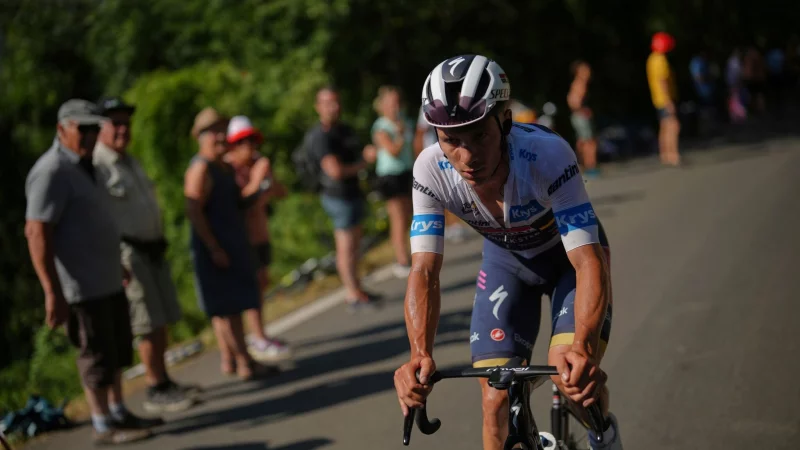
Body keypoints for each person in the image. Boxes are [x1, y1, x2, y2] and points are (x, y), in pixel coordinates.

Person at [393, 55, 622, 450]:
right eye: (451, 140)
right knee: (495, 398)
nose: (467, 156)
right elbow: (424, 271)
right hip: (508, 263)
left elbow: (587, 261)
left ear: (505, 121)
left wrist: (583, 349)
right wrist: (418, 354)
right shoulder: (429, 170)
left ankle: (605, 437)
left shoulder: (547, 156)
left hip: (568, 263)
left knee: (570, 379)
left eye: (479, 136)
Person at [24, 99, 157, 445]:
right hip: (81, 285)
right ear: (62, 129)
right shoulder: (51, 171)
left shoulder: (88, 165)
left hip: (107, 276)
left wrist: (116, 262)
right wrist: (52, 291)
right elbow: (37, 231)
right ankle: (102, 423)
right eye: (81, 129)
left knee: (116, 349)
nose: (89, 136)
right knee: (94, 354)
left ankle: (118, 411)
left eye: (93, 129)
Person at [93, 96, 197, 413]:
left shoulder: (130, 161)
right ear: (99, 127)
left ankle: (164, 379)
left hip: (151, 248)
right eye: (115, 123)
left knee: (160, 319)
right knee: (146, 322)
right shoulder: (98, 166)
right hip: (129, 252)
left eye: (126, 123)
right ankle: (155, 387)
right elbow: (98, 219)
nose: (123, 129)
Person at [184, 107, 278, 380]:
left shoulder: (222, 167)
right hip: (217, 250)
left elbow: (239, 202)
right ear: (201, 136)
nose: (220, 136)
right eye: (213, 131)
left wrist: (259, 183)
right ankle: (244, 362)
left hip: (233, 245)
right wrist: (213, 247)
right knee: (226, 310)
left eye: (221, 130)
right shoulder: (201, 168)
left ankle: (241, 360)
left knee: (234, 308)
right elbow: (194, 211)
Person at [224, 115, 292, 363]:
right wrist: (256, 178)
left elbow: (282, 192)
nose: (250, 147)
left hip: (261, 235)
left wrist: (269, 180)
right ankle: (255, 338)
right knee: (251, 288)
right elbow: (240, 202)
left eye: (252, 141)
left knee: (262, 283)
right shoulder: (229, 168)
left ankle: (258, 334)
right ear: (233, 145)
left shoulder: (257, 164)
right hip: (244, 239)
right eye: (243, 142)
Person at [305, 87, 380, 311]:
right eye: (328, 103)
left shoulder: (343, 129)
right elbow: (335, 171)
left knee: (355, 244)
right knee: (345, 246)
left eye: (336, 102)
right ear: (318, 107)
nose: (334, 107)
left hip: (352, 192)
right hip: (337, 196)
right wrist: (363, 163)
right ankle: (352, 294)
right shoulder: (320, 136)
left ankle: (358, 289)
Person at [365, 86, 414, 278]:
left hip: (406, 171)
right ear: (383, 105)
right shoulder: (381, 127)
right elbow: (393, 151)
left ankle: (410, 253)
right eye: (392, 103)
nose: (396, 107)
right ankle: (402, 260)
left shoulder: (404, 121)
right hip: (390, 176)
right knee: (398, 219)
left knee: (409, 216)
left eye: (398, 102)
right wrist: (400, 134)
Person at [414, 106, 470, 244]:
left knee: (453, 187)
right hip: (435, 154)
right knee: (444, 189)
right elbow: (420, 132)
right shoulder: (428, 105)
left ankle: (454, 224)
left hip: (449, 150)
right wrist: (420, 157)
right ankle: (451, 225)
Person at [646, 32, 681, 167]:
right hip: (664, 98)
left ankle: (665, 154)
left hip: (657, 99)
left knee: (664, 126)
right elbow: (663, 80)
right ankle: (673, 155)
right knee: (673, 125)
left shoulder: (651, 59)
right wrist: (669, 100)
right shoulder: (661, 59)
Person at [567, 60, 599, 177]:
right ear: (578, 72)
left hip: (578, 116)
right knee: (589, 142)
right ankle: (590, 167)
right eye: (585, 70)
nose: (588, 72)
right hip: (580, 117)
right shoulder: (579, 84)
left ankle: (580, 166)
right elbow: (572, 101)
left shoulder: (579, 83)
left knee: (582, 142)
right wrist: (582, 110)